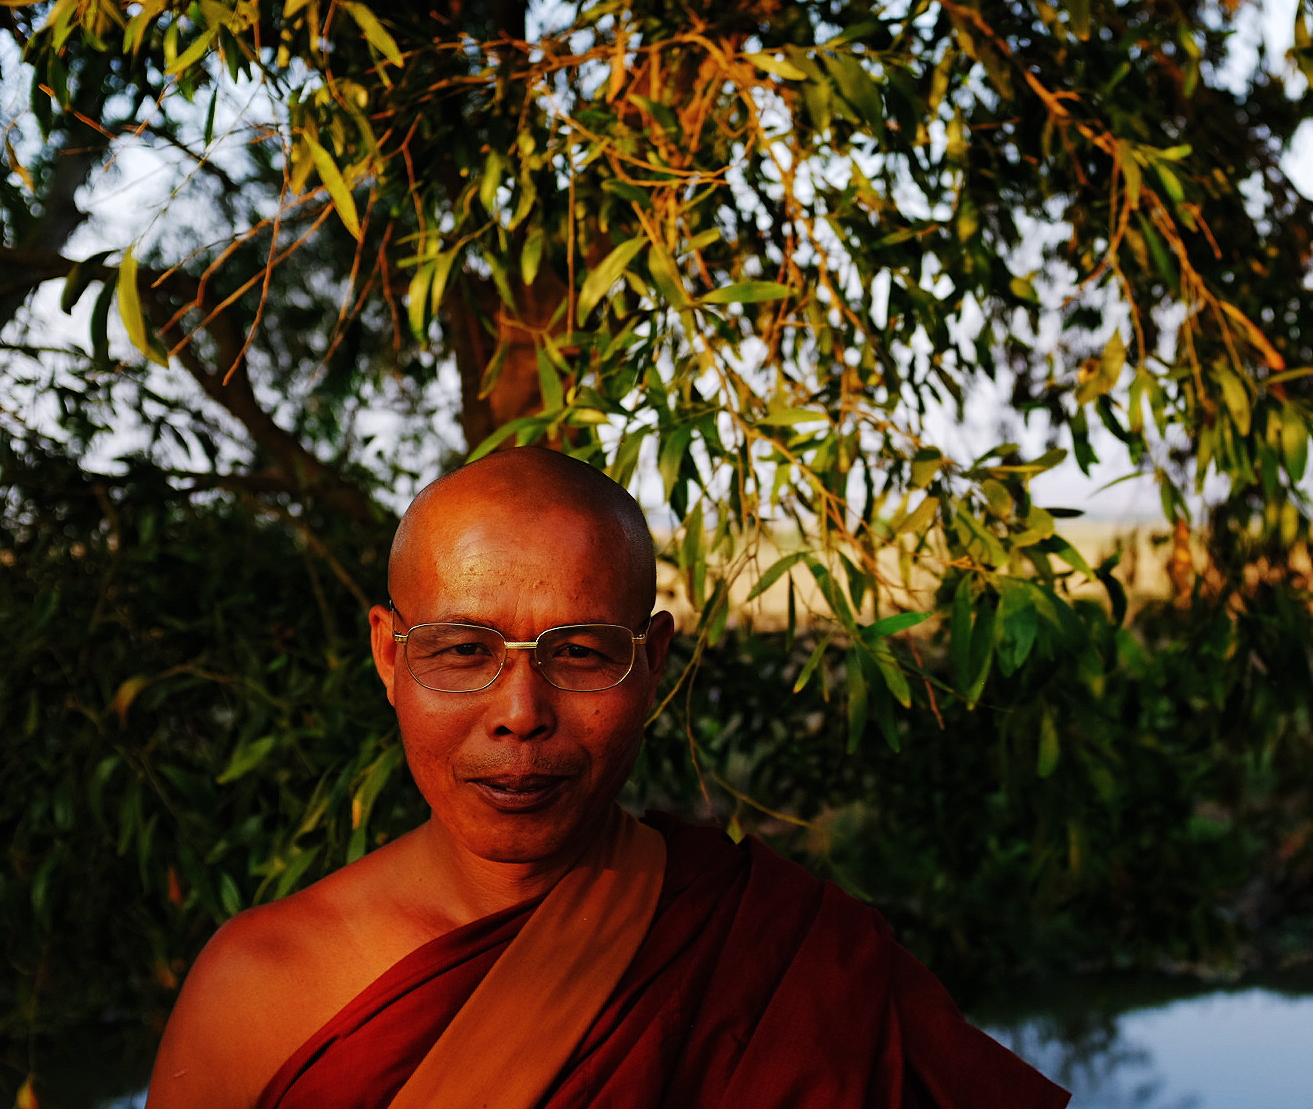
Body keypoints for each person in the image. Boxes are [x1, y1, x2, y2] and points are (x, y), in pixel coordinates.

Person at [148, 447, 1068, 1109]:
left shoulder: (785, 956)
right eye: (464, 651)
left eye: (581, 653)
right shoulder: (256, 993)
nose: (521, 712)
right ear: (390, 657)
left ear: (652, 660)